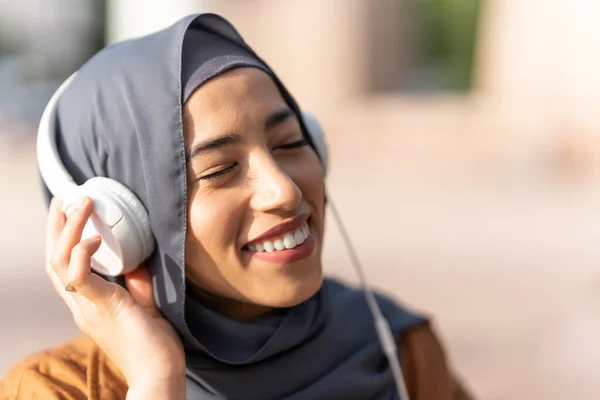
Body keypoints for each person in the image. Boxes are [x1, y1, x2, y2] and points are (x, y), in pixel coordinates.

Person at [0, 13, 473, 400]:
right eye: (220, 170)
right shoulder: (55, 389)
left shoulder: (397, 347)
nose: (283, 191)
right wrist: (156, 381)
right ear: (117, 225)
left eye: (289, 142)